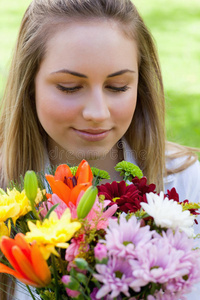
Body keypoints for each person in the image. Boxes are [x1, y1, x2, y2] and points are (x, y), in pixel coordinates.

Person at [0, 0, 199, 299]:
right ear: (30, 85)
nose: (98, 112)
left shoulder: (187, 182)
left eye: (118, 86)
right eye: (69, 86)